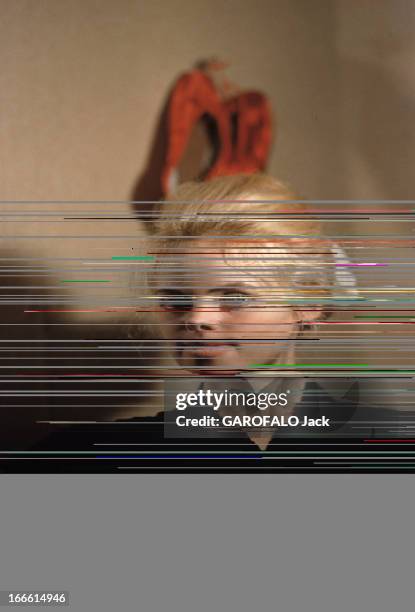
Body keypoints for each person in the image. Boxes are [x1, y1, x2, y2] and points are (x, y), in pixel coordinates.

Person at [22, 173, 409, 471]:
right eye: (175, 300)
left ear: (306, 304)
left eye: (234, 298)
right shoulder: (79, 458)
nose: (197, 319)